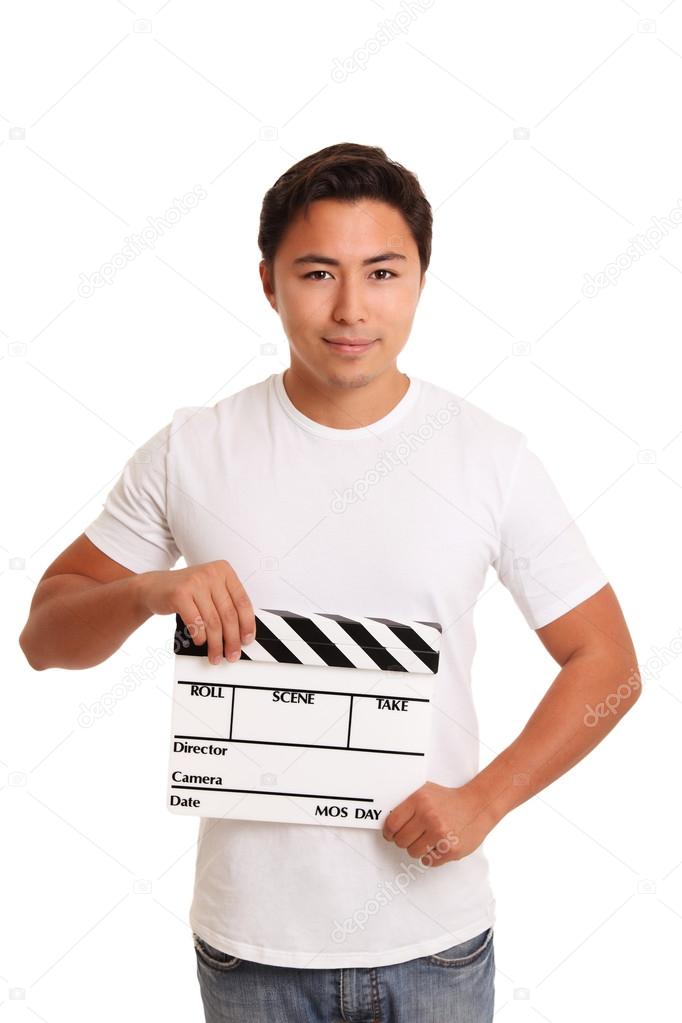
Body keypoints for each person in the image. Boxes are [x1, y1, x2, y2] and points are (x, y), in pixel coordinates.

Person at [19, 142, 640, 1023]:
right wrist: (147, 591)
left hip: (436, 938)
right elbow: (43, 637)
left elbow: (608, 662)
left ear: (421, 279)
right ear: (269, 282)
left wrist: (486, 798)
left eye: (381, 272)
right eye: (318, 273)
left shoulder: (490, 458)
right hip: (252, 947)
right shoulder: (192, 450)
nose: (351, 308)